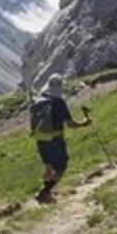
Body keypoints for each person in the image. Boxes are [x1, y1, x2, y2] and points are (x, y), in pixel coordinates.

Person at [29, 74, 91, 204]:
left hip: (40, 138)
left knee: (48, 167)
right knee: (61, 167)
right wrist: (84, 123)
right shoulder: (59, 102)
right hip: (55, 140)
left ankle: (46, 194)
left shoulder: (40, 99)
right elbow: (70, 124)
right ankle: (44, 192)